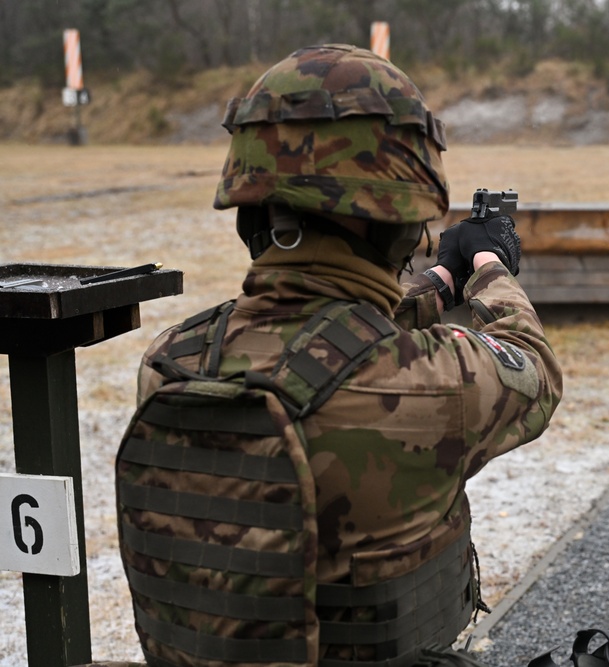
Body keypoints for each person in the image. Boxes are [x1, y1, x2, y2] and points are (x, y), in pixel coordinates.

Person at [80, 44, 561, 667]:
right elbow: (534, 365)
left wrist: (438, 283)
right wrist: (490, 269)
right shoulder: (440, 383)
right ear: (395, 223)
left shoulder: (171, 360)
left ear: (249, 209)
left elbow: (324, 333)